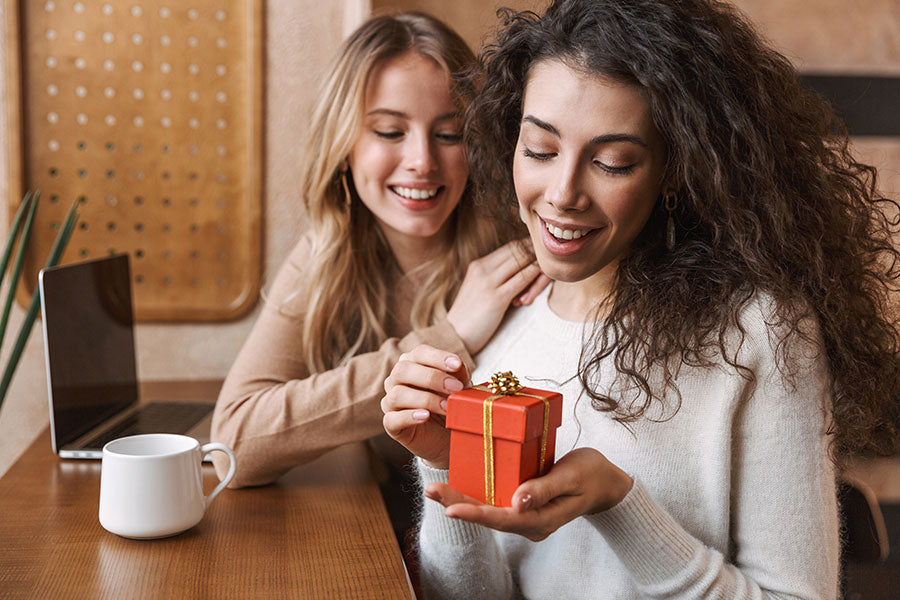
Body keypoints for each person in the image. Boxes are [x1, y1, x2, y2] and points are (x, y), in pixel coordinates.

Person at [381, 0, 900, 598]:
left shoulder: (759, 331)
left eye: (612, 162)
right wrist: (447, 466)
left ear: (675, 169)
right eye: (540, 150)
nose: (563, 193)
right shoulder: (501, 317)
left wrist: (618, 503)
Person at [210, 12, 547, 497]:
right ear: (344, 144)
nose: (422, 162)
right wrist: (447, 339)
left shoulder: (523, 255)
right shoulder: (328, 252)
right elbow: (233, 444)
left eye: (449, 134)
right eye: (390, 132)